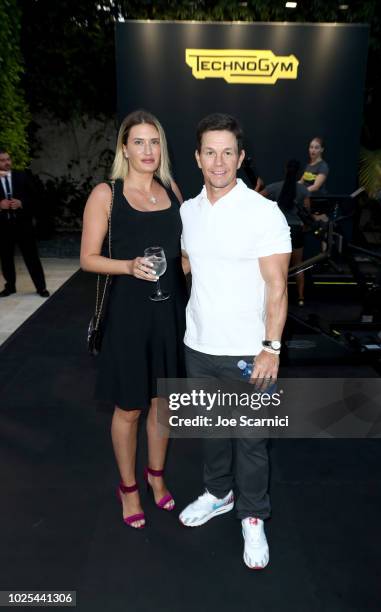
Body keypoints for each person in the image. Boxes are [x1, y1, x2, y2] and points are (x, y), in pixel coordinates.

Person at [179, 113, 291, 569]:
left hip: (250, 350)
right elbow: (189, 261)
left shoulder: (263, 212)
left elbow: (278, 286)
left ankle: (253, 516)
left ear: (241, 158)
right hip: (199, 344)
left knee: (250, 439)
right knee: (210, 429)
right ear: (197, 158)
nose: (219, 161)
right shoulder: (188, 210)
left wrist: (272, 346)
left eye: (228, 152)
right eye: (210, 152)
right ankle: (218, 494)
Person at [80, 110, 187, 529]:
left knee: (162, 405)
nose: (148, 150)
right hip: (128, 316)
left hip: (170, 312)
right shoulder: (106, 194)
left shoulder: (173, 190)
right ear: (124, 148)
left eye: (154, 142)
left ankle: (155, 478)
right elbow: (88, 260)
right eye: (139, 142)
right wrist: (127, 266)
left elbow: (181, 257)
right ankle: (128, 487)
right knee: (129, 408)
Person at [0, 148, 49, 298]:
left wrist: (21, 203)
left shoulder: (22, 176)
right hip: (3, 226)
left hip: (23, 225)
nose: (7, 163)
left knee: (32, 257)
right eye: (2, 160)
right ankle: (10, 287)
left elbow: (36, 197)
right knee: (6, 258)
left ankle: (41, 287)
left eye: (8, 159)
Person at [262, 159, 310, 306]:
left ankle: (280, 299)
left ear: (285, 170)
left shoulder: (274, 187)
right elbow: (307, 211)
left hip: (280, 231)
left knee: (278, 268)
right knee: (298, 265)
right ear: (299, 172)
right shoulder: (303, 190)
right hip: (296, 230)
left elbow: (257, 198)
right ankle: (301, 298)